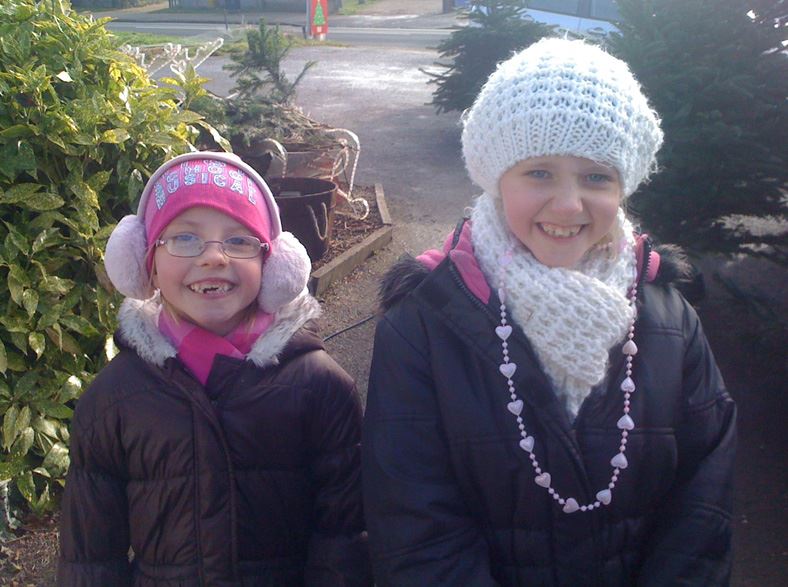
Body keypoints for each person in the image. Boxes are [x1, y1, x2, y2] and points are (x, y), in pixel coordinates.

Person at [363, 38, 736, 586]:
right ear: (497, 177)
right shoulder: (423, 324)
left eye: (596, 176)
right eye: (539, 172)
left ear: (623, 185)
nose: (568, 204)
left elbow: (704, 503)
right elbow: (414, 525)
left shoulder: (669, 318)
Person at [58, 152, 372, 586]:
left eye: (240, 241)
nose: (214, 258)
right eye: (185, 239)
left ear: (274, 264)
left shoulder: (321, 388)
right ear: (145, 261)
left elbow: (342, 541)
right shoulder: (113, 400)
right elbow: (90, 559)